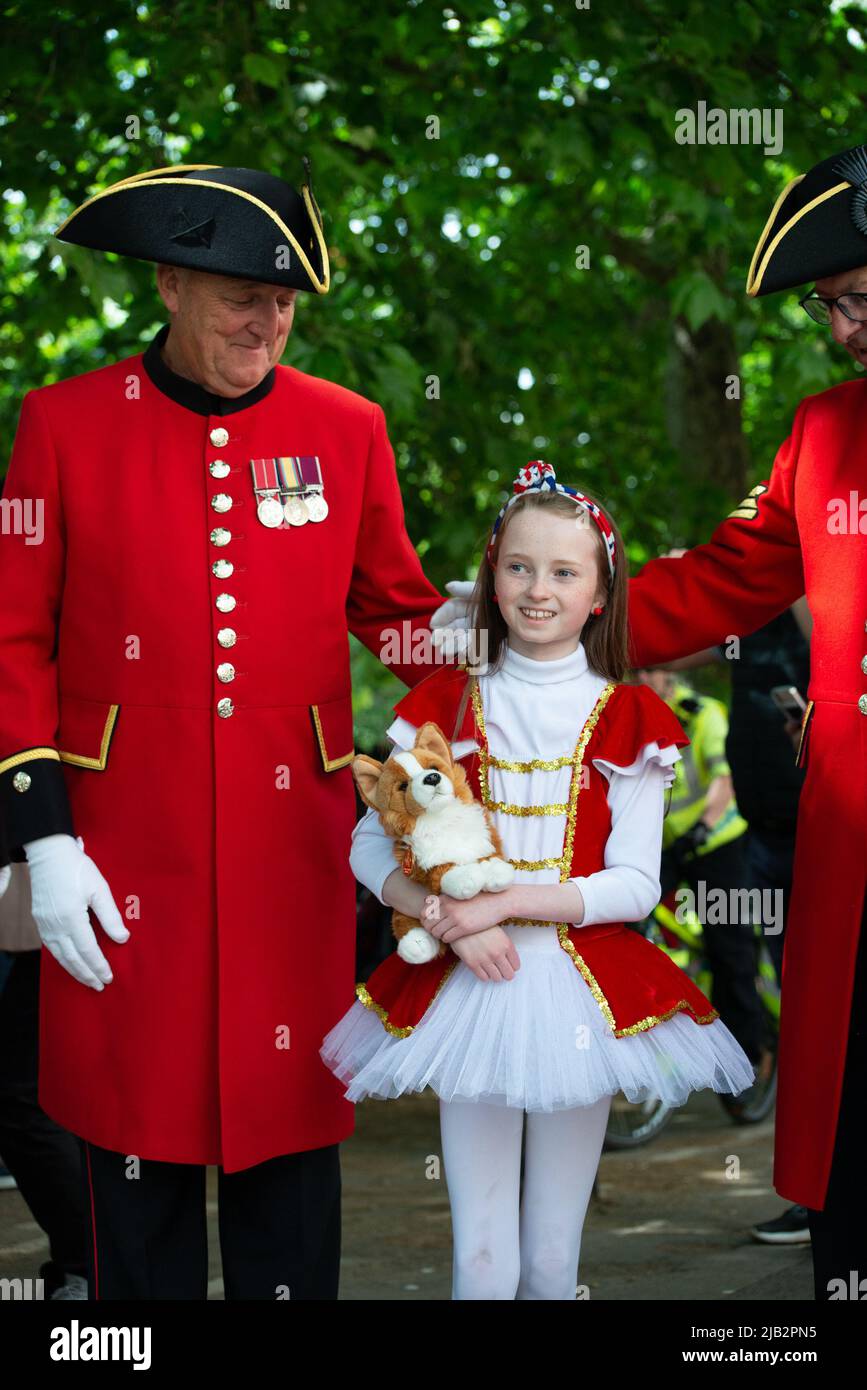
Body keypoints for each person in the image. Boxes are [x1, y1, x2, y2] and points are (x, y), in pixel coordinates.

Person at [0, 161, 448, 1299]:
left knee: (288, 1154)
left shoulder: (346, 428)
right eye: (243, 291)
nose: (269, 316)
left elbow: (400, 616)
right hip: (116, 856)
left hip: (288, 857)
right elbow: (13, 641)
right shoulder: (63, 423)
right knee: (128, 1163)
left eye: (287, 296)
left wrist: (535, 668)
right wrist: (43, 841)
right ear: (168, 283)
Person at [430, 143, 867, 1301]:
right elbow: (723, 578)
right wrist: (554, 605)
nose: (841, 330)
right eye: (836, 305)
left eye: (856, 300)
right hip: (853, 847)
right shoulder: (825, 431)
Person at [321, 461, 755, 1300]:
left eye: (564, 572)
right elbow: (368, 849)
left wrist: (510, 900)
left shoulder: (634, 718)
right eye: (519, 566)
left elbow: (633, 886)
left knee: (554, 1261)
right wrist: (449, 915)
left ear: (600, 591)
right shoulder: (440, 701)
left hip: (579, 993)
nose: (537, 589)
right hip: (464, 991)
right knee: (480, 1259)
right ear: (491, 571)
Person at [633, 667, 772, 1096]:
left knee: (729, 947)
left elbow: (724, 782)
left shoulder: (703, 714)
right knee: (625, 924)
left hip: (716, 842)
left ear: (669, 673)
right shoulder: (631, 715)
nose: (641, 677)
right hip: (666, 844)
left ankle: (752, 1051)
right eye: (635, 670)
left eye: (650, 670)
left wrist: (702, 828)